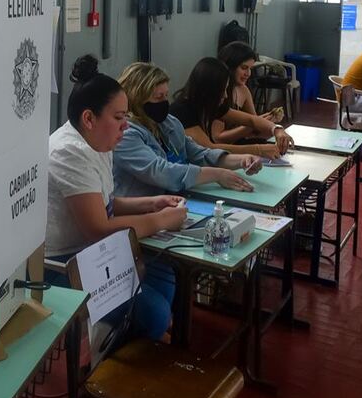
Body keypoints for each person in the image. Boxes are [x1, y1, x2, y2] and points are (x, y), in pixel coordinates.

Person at [45, 56, 187, 341]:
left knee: (165, 276)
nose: (126, 126)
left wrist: (152, 203)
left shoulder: (98, 140)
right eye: (119, 118)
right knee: (156, 313)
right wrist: (160, 220)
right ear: (89, 118)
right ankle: (116, 350)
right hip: (63, 264)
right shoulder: (69, 152)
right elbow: (98, 228)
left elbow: (106, 203)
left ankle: (135, 339)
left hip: (93, 253)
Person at [112, 61, 262, 198]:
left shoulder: (168, 123)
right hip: (141, 206)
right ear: (137, 98)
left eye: (166, 96)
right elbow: (160, 172)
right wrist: (217, 174)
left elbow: (199, 154)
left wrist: (242, 160)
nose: (165, 102)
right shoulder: (124, 134)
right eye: (158, 97)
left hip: (174, 199)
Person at [170, 57, 294, 158]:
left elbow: (251, 119)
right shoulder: (182, 110)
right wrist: (258, 150)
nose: (225, 95)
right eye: (222, 90)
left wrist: (277, 129)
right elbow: (209, 148)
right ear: (209, 90)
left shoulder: (210, 104)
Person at [215, 42, 282, 146]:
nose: (248, 74)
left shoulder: (243, 90)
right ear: (231, 67)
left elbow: (255, 127)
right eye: (244, 68)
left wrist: (270, 119)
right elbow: (217, 139)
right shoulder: (218, 93)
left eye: (250, 68)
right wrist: (256, 124)